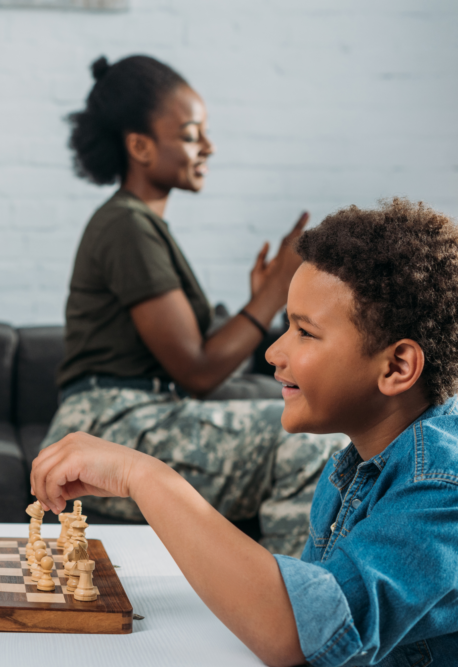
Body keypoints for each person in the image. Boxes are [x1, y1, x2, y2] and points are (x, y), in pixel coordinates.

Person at [33, 198, 458, 666]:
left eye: (305, 332)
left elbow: (292, 633)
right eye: (285, 326)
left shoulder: (442, 486)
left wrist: (146, 476)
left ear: (397, 366)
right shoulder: (352, 466)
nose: (274, 352)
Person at [42, 54, 347, 555]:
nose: (208, 146)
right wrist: (272, 290)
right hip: (116, 421)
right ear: (139, 145)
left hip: (142, 412)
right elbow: (199, 371)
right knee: (311, 438)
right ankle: (296, 604)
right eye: (190, 134)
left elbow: (205, 362)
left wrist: (264, 303)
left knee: (315, 418)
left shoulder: (143, 226)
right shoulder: (127, 225)